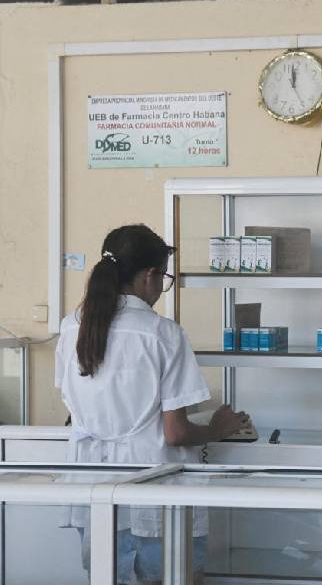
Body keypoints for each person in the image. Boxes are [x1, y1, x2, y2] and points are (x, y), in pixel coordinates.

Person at [55, 224, 248, 585]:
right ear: (150, 276)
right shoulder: (162, 334)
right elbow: (175, 433)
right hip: (153, 492)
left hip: (94, 488)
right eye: (165, 277)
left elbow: (77, 404)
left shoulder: (70, 328)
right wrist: (216, 429)